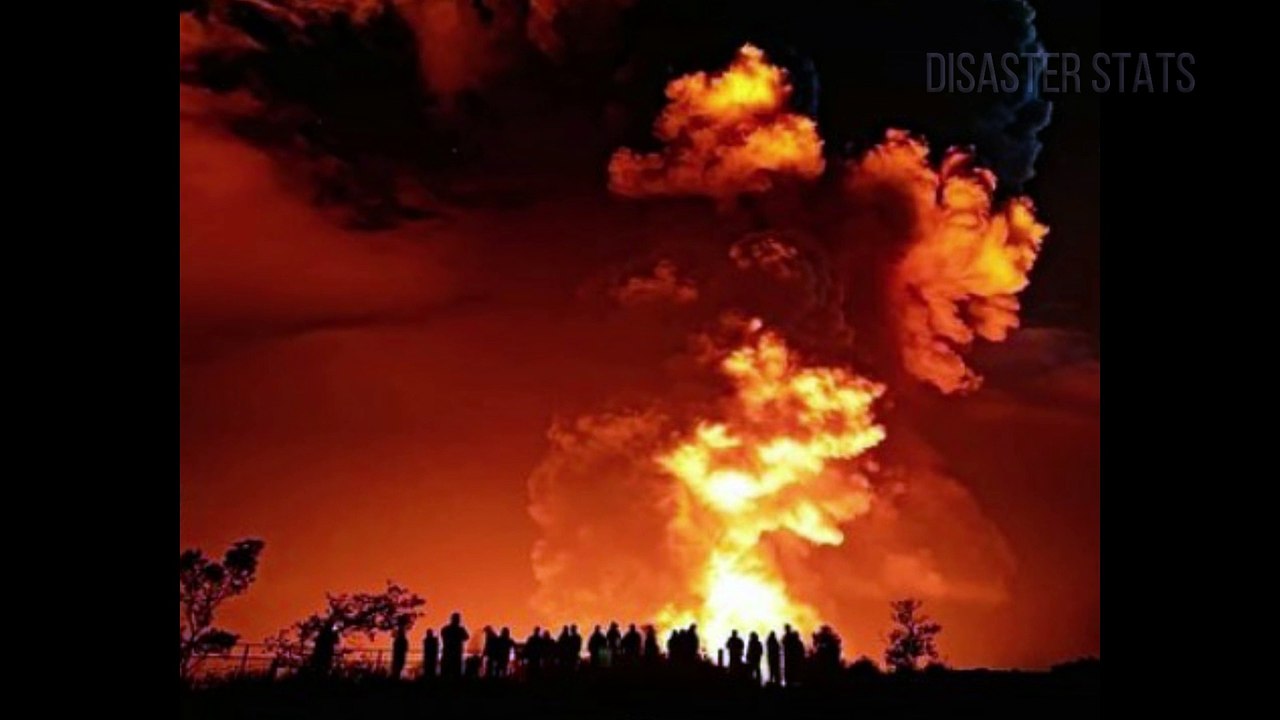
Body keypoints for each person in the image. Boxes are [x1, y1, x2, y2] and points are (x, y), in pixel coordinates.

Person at [441, 612, 469, 679]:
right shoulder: (460, 629)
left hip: (448, 653)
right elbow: (466, 637)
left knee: (447, 672)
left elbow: (466, 637)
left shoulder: (445, 629)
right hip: (455, 653)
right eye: (458, 619)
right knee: (455, 672)